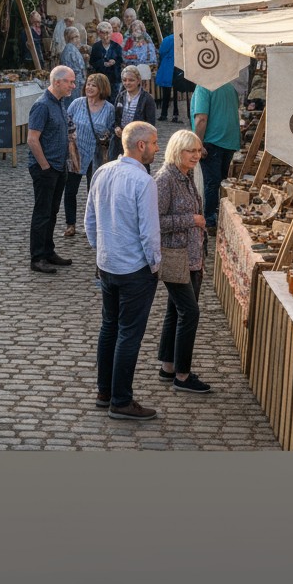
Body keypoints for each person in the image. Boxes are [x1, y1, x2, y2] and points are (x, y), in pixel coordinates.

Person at [84, 121, 161, 420]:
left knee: (109, 327)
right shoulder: (143, 182)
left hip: (108, 264)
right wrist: (155, 265)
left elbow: (90, 219)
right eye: (154, 143)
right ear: (140, 145)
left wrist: (100, 250)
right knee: (128, 333)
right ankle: (121, 399)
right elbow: (149, 232)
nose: (156, 148)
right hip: (134, 268)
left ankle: (105, 391)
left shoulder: (103, 171)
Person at [155, 130, 212, 394]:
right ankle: (183, 375)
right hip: (175, 257)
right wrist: (192, 220)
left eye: (198, 151)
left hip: (191, 256)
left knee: (175, 311)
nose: (196, 156)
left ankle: (168, 367)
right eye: (191, 151)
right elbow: (155, 222)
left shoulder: (186, 176)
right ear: (178, 150)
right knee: (190, 312)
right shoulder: (165, 180)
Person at [26, 65, 76, 275]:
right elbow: (32, 139)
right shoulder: (42, 105)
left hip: (59, 166)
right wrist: (45, 166)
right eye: (70, 82)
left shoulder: (60, 103)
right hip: (46, 168)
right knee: (42, 213)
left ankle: (48, 251)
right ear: (57, 82)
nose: (73, 85)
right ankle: (37, 257)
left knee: (52, 212)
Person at [63, 73, 114, 237]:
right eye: (88, 84)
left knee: (94, 191)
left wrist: (106, 135)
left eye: (94, 85)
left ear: (102, 88)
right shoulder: (77, 104)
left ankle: (92, 225)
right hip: (76, 153)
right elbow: (67, 123)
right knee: (71, 190)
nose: (89, 87)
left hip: (97, 154)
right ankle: (70, 224)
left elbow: (112, 130)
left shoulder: (109, 108)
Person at [191, 81, 241, 232]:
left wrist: (197, 143)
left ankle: (211, 220)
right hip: (229, 140)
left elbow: (201, 118)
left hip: (212, 140)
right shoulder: (229, 86)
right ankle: (222, 216)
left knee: (212, 183)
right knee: (222, 182)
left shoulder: (203, 86)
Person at [109, 65, 157, 162]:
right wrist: (117, 127)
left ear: (138, 80)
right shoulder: (120, 96)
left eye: (131, 80)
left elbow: (150, 125)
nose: (127, 83)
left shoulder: (147, 99)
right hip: (120, 142)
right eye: (125, 80)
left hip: (138, 144)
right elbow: (116, 118)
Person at [88, 21, 123, 101]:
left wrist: (114, 62)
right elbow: (92, 62)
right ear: (99, 34)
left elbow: (121, 60)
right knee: (101, 99)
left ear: (111, 33)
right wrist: (102, 63)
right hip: (101, 79)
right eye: (103, 33)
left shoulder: (116, 46)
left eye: (108, 33)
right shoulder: (96, 47)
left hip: (114, 79)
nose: (106, 36)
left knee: (114, 101)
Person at [156, 31, 180, 123]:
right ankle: (175, 114)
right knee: (176, 93)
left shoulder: (168, 39)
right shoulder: (183, 38)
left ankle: (164, 114)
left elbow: (161, 52)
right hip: (178, 68)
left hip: (167, 68)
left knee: (166, 93)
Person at [60, 26, 87, 101]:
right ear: (72, 38)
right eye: (77, 37)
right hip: (74, 84)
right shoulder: (70, 50)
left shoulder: (73, 49)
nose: (79, 40)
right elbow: (72, 70)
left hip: (76, 83)